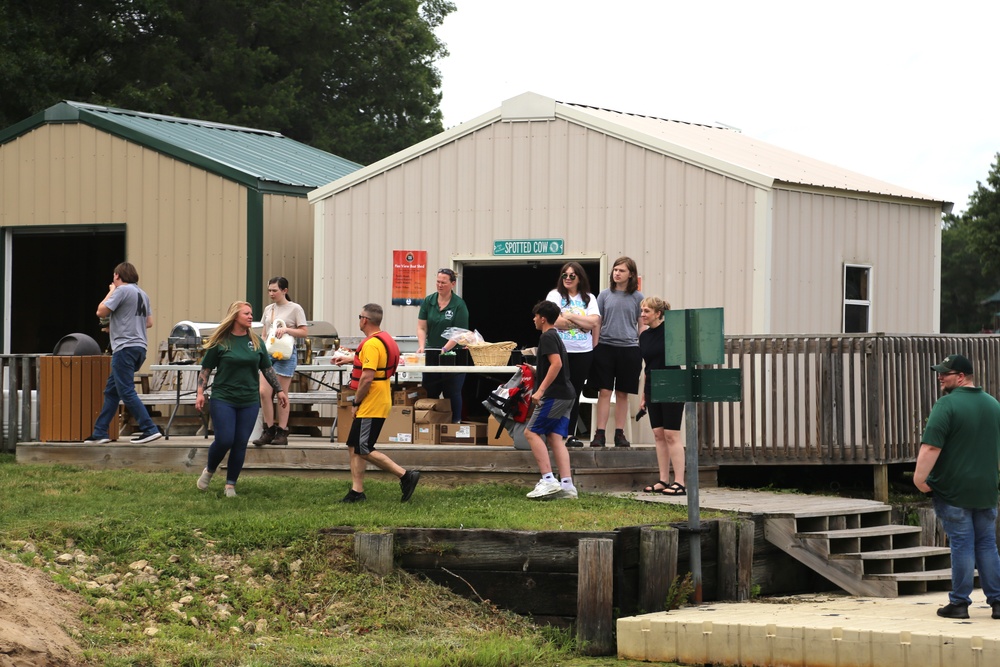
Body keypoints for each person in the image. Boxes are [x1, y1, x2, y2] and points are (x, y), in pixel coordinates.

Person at [913, 353, 1000, 620]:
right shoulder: (993, 405)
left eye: (945, 373)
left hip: (953, 490)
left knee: (962, 543)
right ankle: (998, 602)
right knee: (987, 544)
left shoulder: (946, 405)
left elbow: (930, 446)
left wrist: (919, 480)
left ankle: (959, 603)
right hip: (986, 490)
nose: (939, 376)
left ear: (961, 377)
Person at [195, 301, 288, 498]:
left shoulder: (256, 342)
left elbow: (267, 368)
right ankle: (210, 470)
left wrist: (279, 390)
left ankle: (230, 485)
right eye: (246, 313)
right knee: (224, 439)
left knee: (240, 442)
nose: (250, 316)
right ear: (235, 316)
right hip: (223, 398)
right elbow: (206, 369)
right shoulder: (221, 341)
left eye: (251, 313)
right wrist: (200, 392)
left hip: (248, 401)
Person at [336, 303, 421, 504]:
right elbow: (374, 363)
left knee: (364, 448)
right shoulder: (383, 339)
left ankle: (405, 475)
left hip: (372, 400)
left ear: (364, 320)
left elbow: (366, 378)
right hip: (378, 397)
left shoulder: (372, 344)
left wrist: (356, 400)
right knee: (353, 445)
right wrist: (349, 359)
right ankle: (357, 491)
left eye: (359, 317)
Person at [85, 262, 162, 445]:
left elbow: (100, 311)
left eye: (114, 277)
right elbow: (148, 322)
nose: (113, 280)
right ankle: (100, 432)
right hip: (139, 347)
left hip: (124, 348)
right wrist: (116, 326)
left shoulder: (121, 290)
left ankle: (149, 429)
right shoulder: (143, 294)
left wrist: (111, 290)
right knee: (112, 391)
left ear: (118, 276)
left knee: (126, 390)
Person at [524, 301, 578, 500]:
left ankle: (548, 480)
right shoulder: (555, 335)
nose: (534, 319)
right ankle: (567, 486)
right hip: (567, 394)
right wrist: (535, 371)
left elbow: (556, 364)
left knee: (531, 433)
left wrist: (540, 391)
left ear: (543, 318)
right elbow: (554, 366)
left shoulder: (546, 336)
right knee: (555, 438)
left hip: (555, 395)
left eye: (536, 316)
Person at [546, 262, 601, 448]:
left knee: (574, 394)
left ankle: (570, 435)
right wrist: (581, 323)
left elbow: (594, 322)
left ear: (580, 278)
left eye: (572, 275)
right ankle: (553, 434)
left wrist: (569, 316)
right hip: (559, 351)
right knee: (556, 392)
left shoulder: (589, 298)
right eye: (565, 275)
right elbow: (554, 321)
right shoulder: (555, 295)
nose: (568, 278)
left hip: (582, 352)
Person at [590, 256, 644, 447]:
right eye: (615, 270)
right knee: (604, 391)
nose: (617, 273)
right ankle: (600, 433)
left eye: (621, 270)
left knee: (623, 393)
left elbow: (642, 326)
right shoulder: (604, 295)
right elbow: (597, 322)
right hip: (605, 348)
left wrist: (642, 349)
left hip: (629, 350)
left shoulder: (639, 298)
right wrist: (596, 347)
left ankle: (619, 433)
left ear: (631, 274)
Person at [638, 297, 686, 496]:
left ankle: (680, 482)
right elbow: (647, 368)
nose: (642, 315)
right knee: (658, 434)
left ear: (658, 313)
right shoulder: (644, 336)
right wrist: (643, 396)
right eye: (641, 311)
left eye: (647, 311)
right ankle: (663, 480)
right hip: (652, 385)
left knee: (671, 434)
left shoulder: (671, 332)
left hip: (673, 383)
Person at [252, 277, 308, 447]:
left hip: (285, 353)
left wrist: (287, 330)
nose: (271, 293)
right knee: (263, 391)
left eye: (274, 290)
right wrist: (259, 349)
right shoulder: (269, 309)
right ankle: (269, 430)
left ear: (285, 290)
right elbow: (264, 331)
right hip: (268, 352)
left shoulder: (295, 308)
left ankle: (282, 431)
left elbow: (304, 332)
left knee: (281, 392)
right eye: (269, 290)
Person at [417, 268, 470, 422]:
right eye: (438, 282)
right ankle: (431, 426)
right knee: (430, 389)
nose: (440, 285)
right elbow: (421, 327)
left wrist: (445, 349)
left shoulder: (459, 305)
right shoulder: (429, 301)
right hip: (432, 353)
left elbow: (460, 333)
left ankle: (455, 424)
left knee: (452, 391)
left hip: (454, 355)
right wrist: (422, 346)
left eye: (443, 282)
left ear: (452, 284)